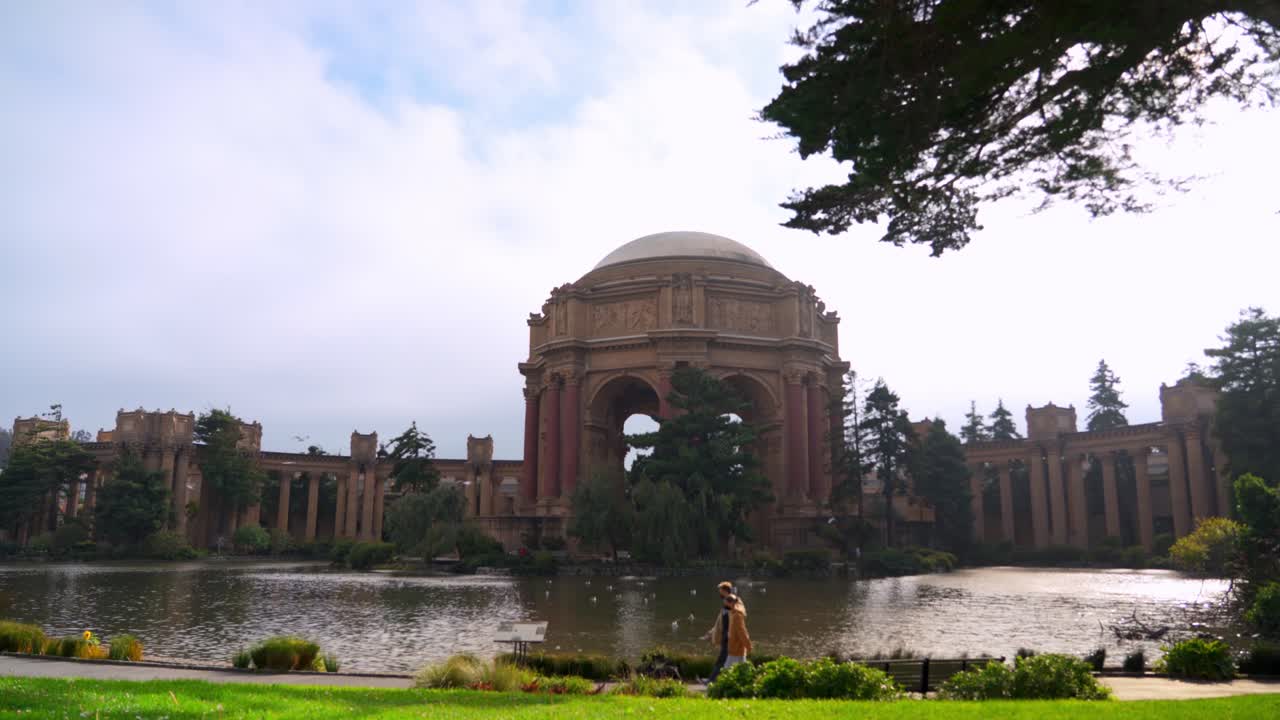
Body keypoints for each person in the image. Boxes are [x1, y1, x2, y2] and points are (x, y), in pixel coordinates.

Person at [703, 580, 734, 681]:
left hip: (728, 637)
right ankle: (720, 679)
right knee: (726, 660)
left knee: (722, 659)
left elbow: (734, 618)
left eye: (720, 590)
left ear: (725, 591)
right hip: (725, 636)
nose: (719, 593)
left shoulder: (731, 601)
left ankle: (711, 680)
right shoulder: (726, 602)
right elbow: (721, 620)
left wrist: (730, 632)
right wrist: (712, 631)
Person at [722, 593, 751, 670]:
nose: (725, 605)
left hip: (736, 648)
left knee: (727, 670)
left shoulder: (737, 615)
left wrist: (748, 646)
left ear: (730, 603)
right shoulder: (732, 613)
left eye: (726, 602)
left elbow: (742, 632)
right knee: (741, 669)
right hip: (734, 648)